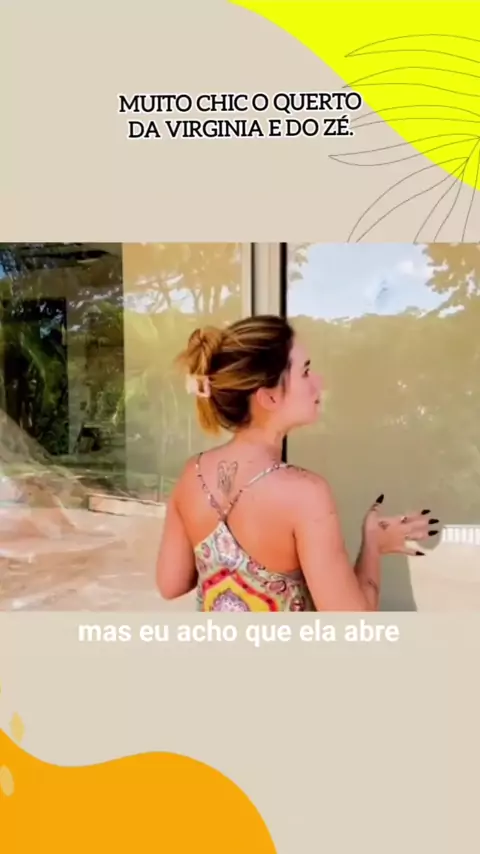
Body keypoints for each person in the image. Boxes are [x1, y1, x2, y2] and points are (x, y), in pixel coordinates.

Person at [156, 315, 438, 611]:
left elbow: (170, 583)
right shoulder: (305, 494)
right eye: (305, 372)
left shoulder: (193, 474)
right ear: (269, 398)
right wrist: (373, 545)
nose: (319, 382)